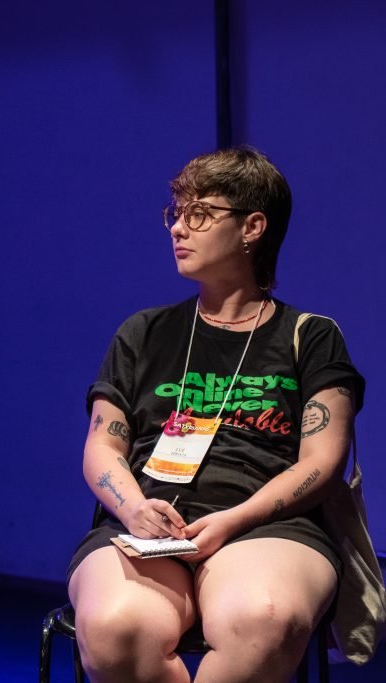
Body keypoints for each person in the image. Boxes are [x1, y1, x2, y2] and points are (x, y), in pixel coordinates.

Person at [66, 146, 364, 682]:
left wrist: (233, 520)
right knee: (117, 626)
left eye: (198, 213)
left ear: (252, 227)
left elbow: (324, 460)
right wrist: (133, 508)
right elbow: (102, 444)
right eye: (175, 214)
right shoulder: (144, 332)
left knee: (262, 617)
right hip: (149, 522)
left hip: (269, 525)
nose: (178, 228)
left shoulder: (311, 336)